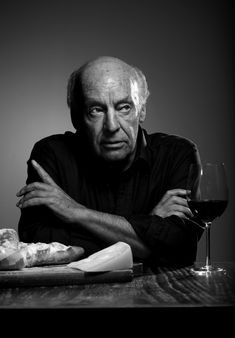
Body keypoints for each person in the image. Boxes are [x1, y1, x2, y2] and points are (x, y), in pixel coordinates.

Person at [16, 56, 203, 269]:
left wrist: (76, 212)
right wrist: (148, 228)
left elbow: (181, 249)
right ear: (76, 117)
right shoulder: (51, 154)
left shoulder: (177, 154)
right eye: (96, 110)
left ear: (141, 110)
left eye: (124, 107)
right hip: (74, 299)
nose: (112, 126)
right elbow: (38, 247)